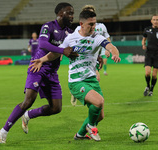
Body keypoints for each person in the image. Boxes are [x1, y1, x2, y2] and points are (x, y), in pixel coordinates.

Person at [29, 10, 121, 141]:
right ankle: (90, 127)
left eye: (94, 24)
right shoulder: (71, 38)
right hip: (76, 81)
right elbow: (56, 53)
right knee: (99, 101)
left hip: (92, 80)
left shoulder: (96, 37)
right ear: (82, 24)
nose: (93, 27)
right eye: (90, 24)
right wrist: (42, 60)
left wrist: (114, 53)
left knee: (99, 116)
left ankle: (80, 135)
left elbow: (110, 46)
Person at [0, 2, 78, 144]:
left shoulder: (70, 33)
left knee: (56, 108)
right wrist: (62, 51)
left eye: (73, 13)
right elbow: (43, 44)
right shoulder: (49, 26)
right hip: (37, 67)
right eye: (69, 13)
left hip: (52, 72)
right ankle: (3, 131)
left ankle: (28, 115)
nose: (72, 16)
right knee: (28, 101)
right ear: (60, 14)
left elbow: (74, 49)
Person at [70, 5, 110, 106]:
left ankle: (87, 95)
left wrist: (107, 49)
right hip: (84, 58)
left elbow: (107, 38)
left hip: (96, 57)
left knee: (95, 78)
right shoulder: (79, 28)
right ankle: (90, 97)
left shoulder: (101, 26)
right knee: (96, 77)